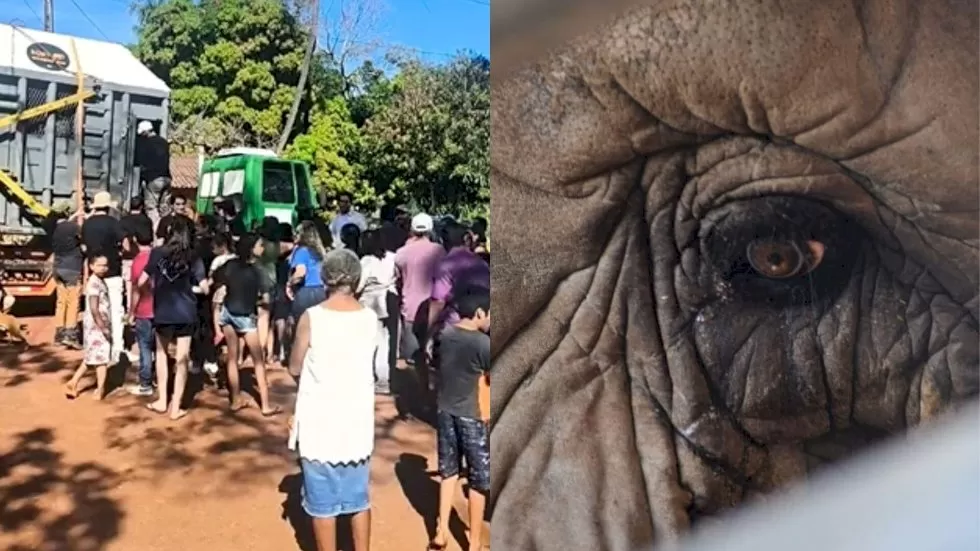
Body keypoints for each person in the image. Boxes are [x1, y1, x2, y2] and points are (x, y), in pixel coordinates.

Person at [288, 249, 377, 551]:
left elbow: (294, 367)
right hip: (357, 423)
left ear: (325, 277)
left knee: (323, 505)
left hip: (319, 424)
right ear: (356, 279)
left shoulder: (311, 317)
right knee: (358, 500)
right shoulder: (370, 318)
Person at [429, 289, 491, 551]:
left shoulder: (445, 335)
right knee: (478, 479)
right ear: (479, 313)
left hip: (445, 411)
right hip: (473, 415)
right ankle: (474, 542)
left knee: (448, 471)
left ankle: (441, 530)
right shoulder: (483, 344)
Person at [134, 215, 208, 420]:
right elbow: (205, 287)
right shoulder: (194, 256)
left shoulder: (157, 253)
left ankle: (161, 400)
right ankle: (176, 408)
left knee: (162, 353)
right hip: (186, 312)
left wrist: (156, 288)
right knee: (183, 357)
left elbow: (141, 281)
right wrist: (191, 289)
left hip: (163, 311)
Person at [213, 233, 280, 416]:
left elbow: (216, 279)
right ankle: (265, 405)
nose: (262, 248)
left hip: (228, 313)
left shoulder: (230, 265)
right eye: (259, 245)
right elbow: (266, 298)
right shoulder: (258, 271)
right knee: (258, 360)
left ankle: (235, 400)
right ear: (252, 249)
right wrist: (257, 302)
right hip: (246, 316)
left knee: (233, 358)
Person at [394, 213, 446, 387]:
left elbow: (397, 280)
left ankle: (419, 392)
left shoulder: (401, 253)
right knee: (434, 354)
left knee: (413, 357)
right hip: (436, 309)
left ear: (412, 229)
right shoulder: (439, 251)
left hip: (410, 310)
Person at [81, 191, 128, 363]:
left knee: (93, 309)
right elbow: (127, 244)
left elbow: (84, 248)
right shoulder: (114, 223)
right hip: (113, 271)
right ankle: (117, 348)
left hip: (94, 273)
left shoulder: (87, 224)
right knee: (115, 310)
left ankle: (93, 347)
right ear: (108, 207)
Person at [65, 253, 113, 400]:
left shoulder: (98, 281)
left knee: (92, 356)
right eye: (99, 265)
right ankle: (100, 389)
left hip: (97, 324)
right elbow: (94, 308)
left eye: (105, 265)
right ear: (91, 266)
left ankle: (73, 381)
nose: (103, 268)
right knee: (102, 360)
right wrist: (103, 327)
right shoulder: (94, 283)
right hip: (97, 326)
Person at [357, 230, 398, 395]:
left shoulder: (366, 262)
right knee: (384, 343)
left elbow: (359, 285)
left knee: (369, 343)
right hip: (388, 302)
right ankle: (383, 380)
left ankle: (369, 378)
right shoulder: (392, 258)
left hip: (369, 304)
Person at [126, 222, 156, 396]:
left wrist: (131, 312)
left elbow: (136, 290)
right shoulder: (159, 256)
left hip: (143, 311)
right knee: (159, 347)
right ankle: (160, 377)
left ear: (136, 240)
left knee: (144, 346)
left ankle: (146, 383)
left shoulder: (137, 261)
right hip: (161, 309)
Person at [49, 202, 84, 348]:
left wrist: (74, 216)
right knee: (73, 301)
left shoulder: (54, 229)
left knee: (61, 301)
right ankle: (70, 333)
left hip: (58, 267)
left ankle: (59, 333)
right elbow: (82, 238)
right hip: (72, 267)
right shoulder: (72, 227)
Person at [134, 120, 171, 229]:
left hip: (153, 179)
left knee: (151, 208)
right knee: (165, 208)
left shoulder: (146, 143)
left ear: (146, 132)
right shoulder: (164, 142)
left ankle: (156, 231)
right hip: (167, 178)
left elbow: (140, 162)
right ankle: (167, 230)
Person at [288, 220, 328, 319]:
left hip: (307, 292)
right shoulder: (321, 252)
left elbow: (300, 273)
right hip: (322, 291)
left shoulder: (302, 251)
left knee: (301, 326)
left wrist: (290, 283)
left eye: (297, 233)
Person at [256, 217, 281, 363]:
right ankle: (270, 353)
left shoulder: (262, 243)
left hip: (261, 281)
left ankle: (260, 350)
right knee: (269, 319)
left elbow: (255, 255)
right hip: (273, 279)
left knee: (262, 318)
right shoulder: (276, 244)